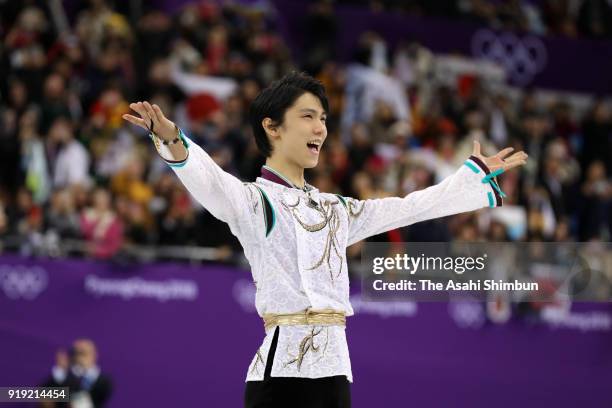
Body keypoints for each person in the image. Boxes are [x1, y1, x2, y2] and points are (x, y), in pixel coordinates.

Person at [122, 72, 527, 408]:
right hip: (281, 378)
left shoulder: (335, 209)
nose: (321, 128)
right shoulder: (254, 201)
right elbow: (209, 179)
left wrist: (470, 179)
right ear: (272, 127)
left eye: (325, 119)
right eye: (308, 116)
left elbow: (407, 207)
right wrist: (172, 137)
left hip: (335, 373)